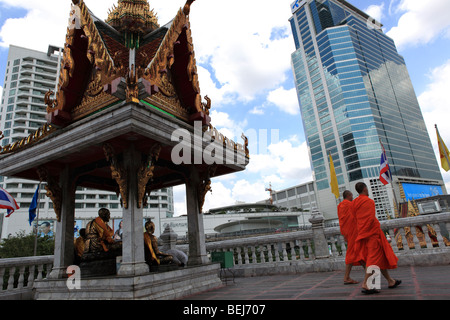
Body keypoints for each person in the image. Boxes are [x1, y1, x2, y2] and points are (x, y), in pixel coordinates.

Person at [353, 182, 401, 294]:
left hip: (362, 233)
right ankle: (366, 283)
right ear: (365, 189)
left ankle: (390, 281)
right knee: (373, 259)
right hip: (371, 234)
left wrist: (361, 232)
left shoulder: (354, 202)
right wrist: (367, 231)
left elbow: (356, 218)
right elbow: (369, 219)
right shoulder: (369, 201)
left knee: (380, 257)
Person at [337, 190, 363, 285]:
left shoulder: (340, 206)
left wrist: (344, 233)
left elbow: (341, 221)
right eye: (351, 195)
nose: (352, 197)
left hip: (348, 232)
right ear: (349, 195)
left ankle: (370, 275)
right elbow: (356, 217)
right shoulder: (350, 205)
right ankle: (347, 277)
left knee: (358, 252)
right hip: (354, 232)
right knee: (353, 253)